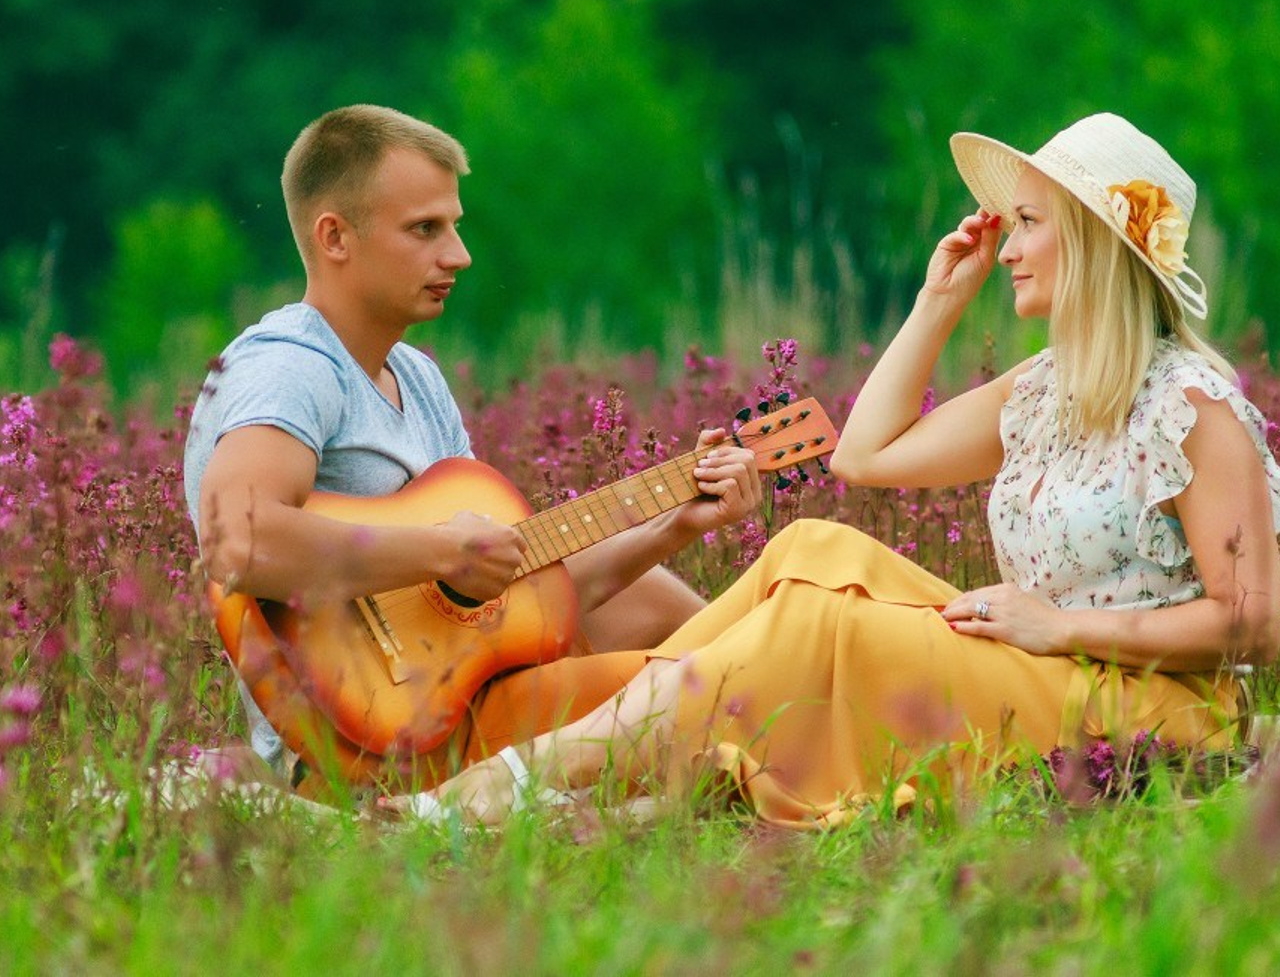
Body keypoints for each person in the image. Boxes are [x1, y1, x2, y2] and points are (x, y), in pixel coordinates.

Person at [385, 112, 1280, 829]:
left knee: (824, 623)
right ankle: (594, 760)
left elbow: (1254, 623)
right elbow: (865, 457)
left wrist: (1058, 627)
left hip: (1150, 710)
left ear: (1089, 241)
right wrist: (936, 305)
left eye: (1030, 226)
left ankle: (524, 777)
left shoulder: (1190, 406)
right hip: (1043, 665)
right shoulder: (1048, 390)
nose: (1006, 248)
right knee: (812, 543)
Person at [184, 104, 762, 783]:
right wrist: (442, 551)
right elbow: (238, 543)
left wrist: (674, 524)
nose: (458, 255)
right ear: (336, 237)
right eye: (425, 229)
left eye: (454, 227)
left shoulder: (418, 379)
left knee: (714, 641)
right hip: (364, 745)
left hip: (463, 701)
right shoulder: (289, 368)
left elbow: (505, 602)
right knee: (727, 690)